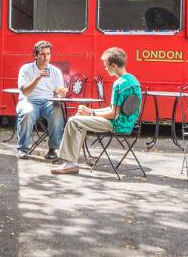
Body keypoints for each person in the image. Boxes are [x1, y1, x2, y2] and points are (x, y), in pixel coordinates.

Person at [52, 47, 142, 175]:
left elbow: (113, 114)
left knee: (73, 121)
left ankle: (70, 163)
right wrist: (90, 111)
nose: (104, 68)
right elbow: (114, 109)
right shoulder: (132, 80)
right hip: (127, 123)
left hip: (117, 124)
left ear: (114, 65)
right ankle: (71, 159)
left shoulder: (119, 84)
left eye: (105, 65)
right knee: (79, 118)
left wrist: (91, 113)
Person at [15, 40, 67, 160]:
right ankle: (23, 149)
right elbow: (25, 92)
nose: (46, 57)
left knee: (57, 113)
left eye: (48, 54)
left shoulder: (56, 71)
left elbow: (58, 92)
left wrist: (61, 93)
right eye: (42, 54)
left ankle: (53, 149)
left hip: (48, 101)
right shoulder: (26, 69)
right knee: (27, 112)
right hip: (29, 100)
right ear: (36, 55)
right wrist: (37, 77)